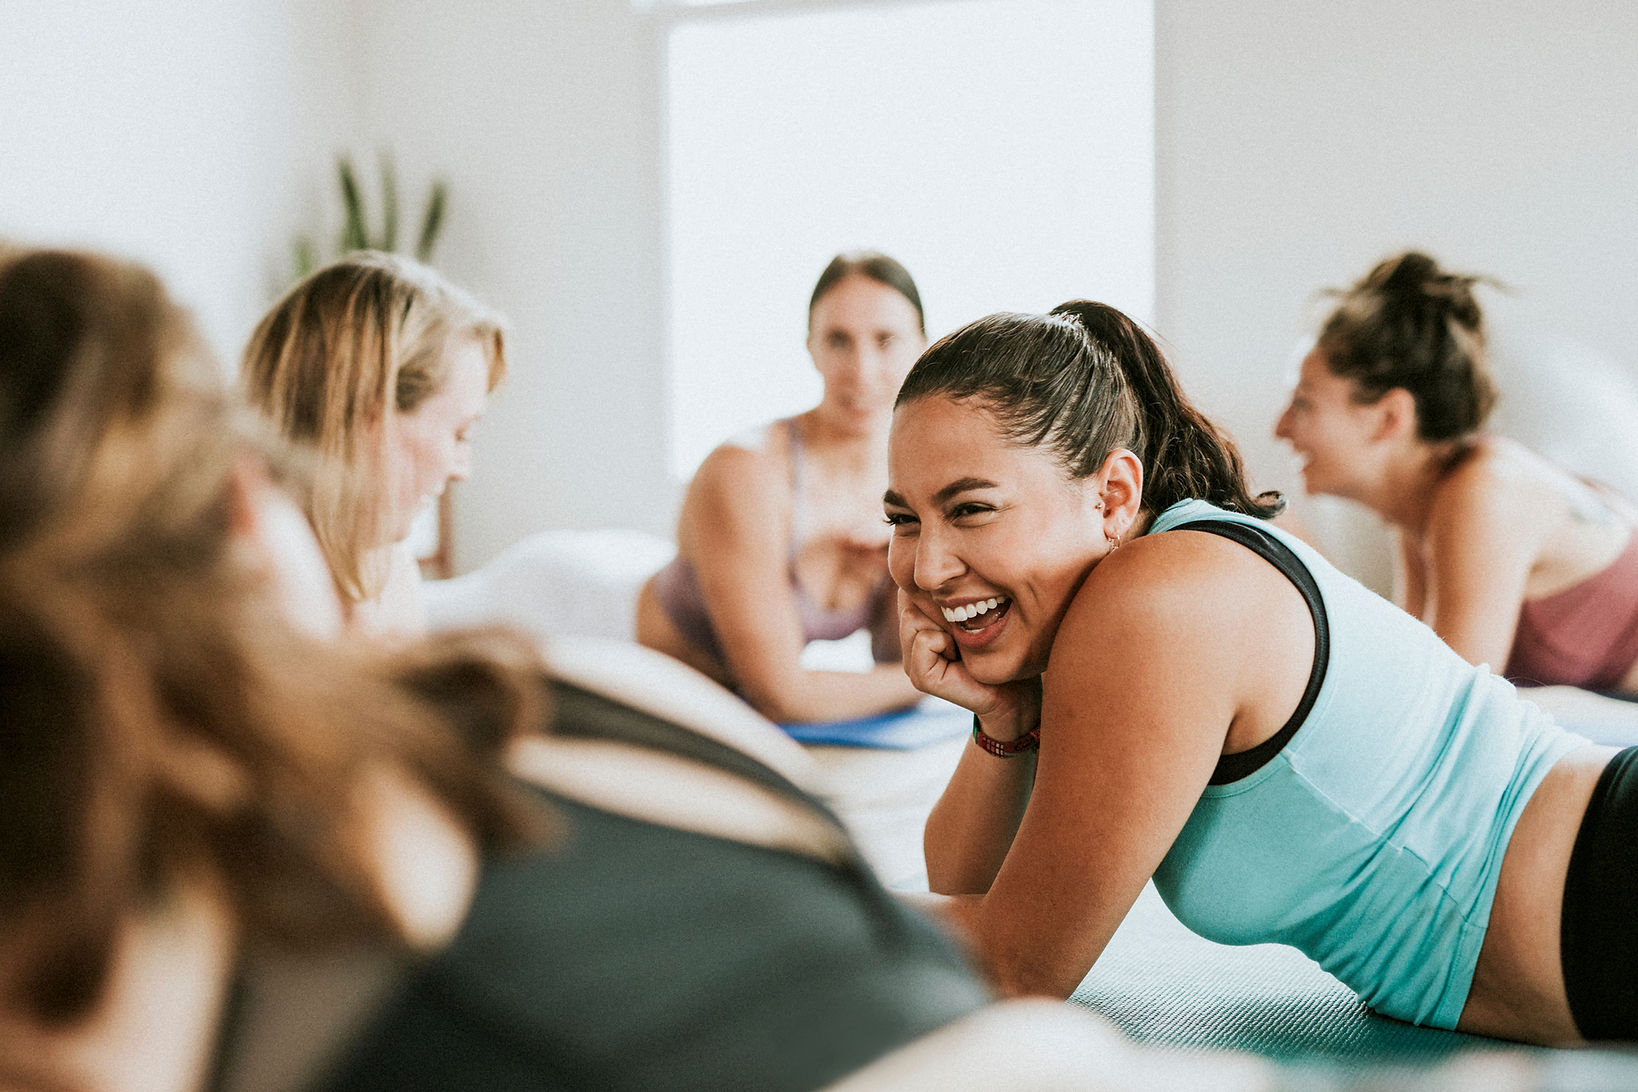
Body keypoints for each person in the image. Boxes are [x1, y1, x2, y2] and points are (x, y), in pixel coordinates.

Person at [12, 247, 1227, 1092]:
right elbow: (958, 940)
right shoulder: (579, 683)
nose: (462, 470)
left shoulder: (541, 710)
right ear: (241, 501)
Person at [886, 298, 1636, 1044]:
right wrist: (1005, 719)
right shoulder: (1130, 598)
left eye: (972, 509)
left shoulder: (1158, 602)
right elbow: (967, 894)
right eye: (904, 518)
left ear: (1113, 496)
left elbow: (1016, 965)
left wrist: (784, 902)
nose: (926, 566)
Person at [1274, 251, 1638, 695]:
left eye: (1303, 403)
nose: (1281, 428)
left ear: (1390, 416)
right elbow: (1402, 671)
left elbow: (1449, 705)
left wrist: (1298, 552)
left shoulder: (1483, 490)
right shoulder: (1423, 504)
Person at [637, 251, 928, 723]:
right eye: (838, 340)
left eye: (886, 340)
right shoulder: (746, 470)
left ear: (923, 347)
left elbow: (894, 656)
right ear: (810, 347)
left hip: (711, 706)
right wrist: (933, 681)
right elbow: (782, 697)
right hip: (590, 629)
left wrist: (903, 574)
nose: (862, 369)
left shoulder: (911, 478)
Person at [242, 250, 508, 638]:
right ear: (373, 416)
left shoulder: (389, 571)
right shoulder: (241, 588)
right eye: (458, 434)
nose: (461, 470)